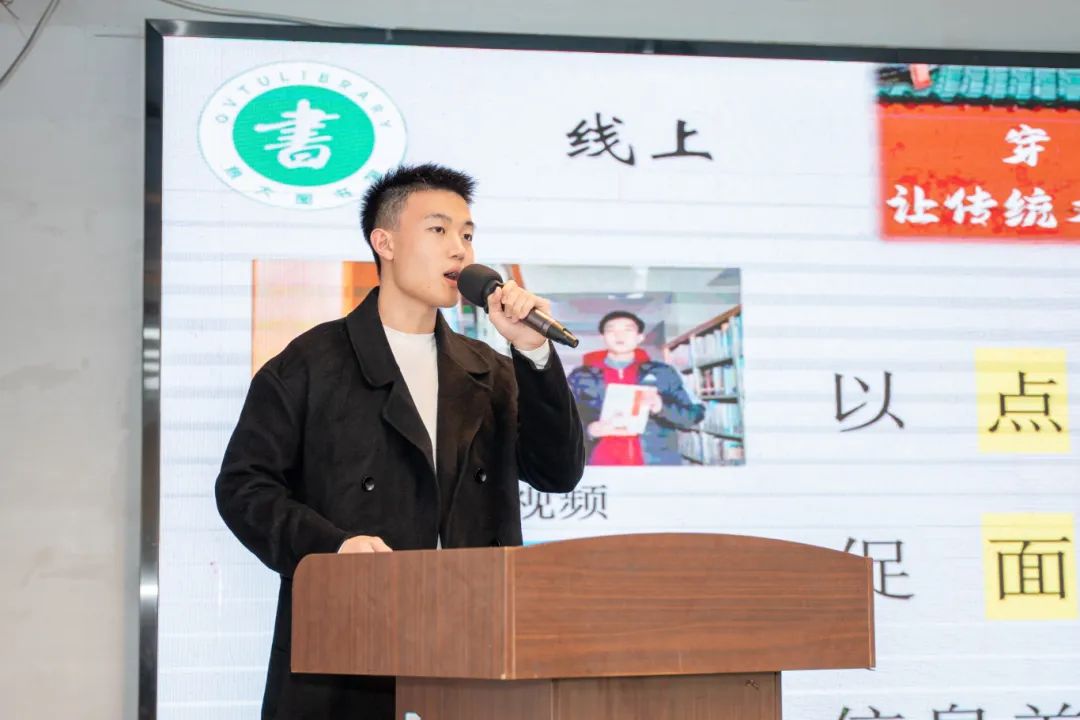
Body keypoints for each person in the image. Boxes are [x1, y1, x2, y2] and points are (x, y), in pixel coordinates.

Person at [215, 163, 585, 720]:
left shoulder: (488, 368)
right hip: (348, 637)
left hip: (472, 639)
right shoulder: (310, 363)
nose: (459, 249)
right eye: (438, 230)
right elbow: (244, 487)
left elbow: (557, 472)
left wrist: (532, 353)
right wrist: (332, 548)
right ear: (383, 243)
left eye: (467, 234)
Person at [567, 310, 704, 465]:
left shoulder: (664, 372)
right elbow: (562, 420)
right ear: (602, 337)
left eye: (628, 330)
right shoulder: (580, 376)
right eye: (611, 330)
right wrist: (589, 430)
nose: (619, 336)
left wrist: (661, 407)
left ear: (640, 337)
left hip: (655, 464)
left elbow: (694, 415)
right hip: (600, 464)